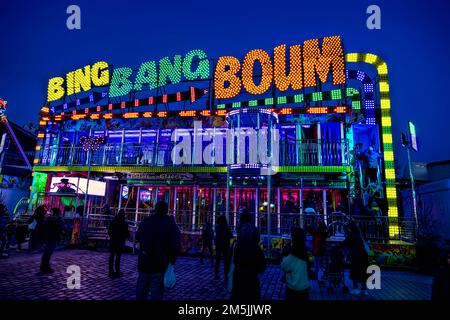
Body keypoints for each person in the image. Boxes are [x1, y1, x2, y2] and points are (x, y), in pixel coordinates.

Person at [136, 201, 181, 300]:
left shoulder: (146, 221)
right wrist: (172, 260)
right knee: (156, 293)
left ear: (155, 209)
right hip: (160, 263)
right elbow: (176, 244)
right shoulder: (170, 224)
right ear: (166, 210)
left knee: (141, 291)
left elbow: (137, 236)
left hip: (145, 261)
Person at [231, 209, 266, 301]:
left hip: (239, 277)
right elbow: (262, 266)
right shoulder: (256, 248)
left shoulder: (237, 246)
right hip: (252, 278)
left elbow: (235, 261)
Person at [281, 227, 310, 300]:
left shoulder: (293, 255)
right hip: (304, 288)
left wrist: (285, 256)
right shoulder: (304, 253)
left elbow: (284, 266)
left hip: (293, 289)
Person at [342, 220, 369, 295]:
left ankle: (356, 288)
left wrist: (335, 247)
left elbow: (344, 243)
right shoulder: (358, 233)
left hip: (356, 256)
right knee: (363, 272)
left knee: (354, 272)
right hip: (364, 255)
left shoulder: (351, 235)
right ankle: (364, 289)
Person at [40, 208, 65, 274]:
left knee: (48, 253)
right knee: (48, 253)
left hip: (49, 237)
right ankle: (45, 267)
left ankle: (44, 266)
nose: (60, 214)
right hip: (51, 237)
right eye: (59, 213)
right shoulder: (54, 220)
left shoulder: (49, 219)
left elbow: (44, 227)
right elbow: (59, 228)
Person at [108, 209, 129, 278]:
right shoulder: (124, 223)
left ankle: (110, 271)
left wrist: (112, 236)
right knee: (118, 257)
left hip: (113, 241)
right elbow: (126, 233)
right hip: (120, 242)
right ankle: (117, 271)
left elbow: (109, 230)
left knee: (112, 256)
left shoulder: (113, 221)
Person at [214, 215, 232, 281]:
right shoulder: (227, 227)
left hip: (219, 244)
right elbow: (230, 235)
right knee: (226, 261)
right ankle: (226, 275)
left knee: (217, 259)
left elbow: (216, 235)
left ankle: (216, 273)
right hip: (225, 244)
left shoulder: (217, 227)